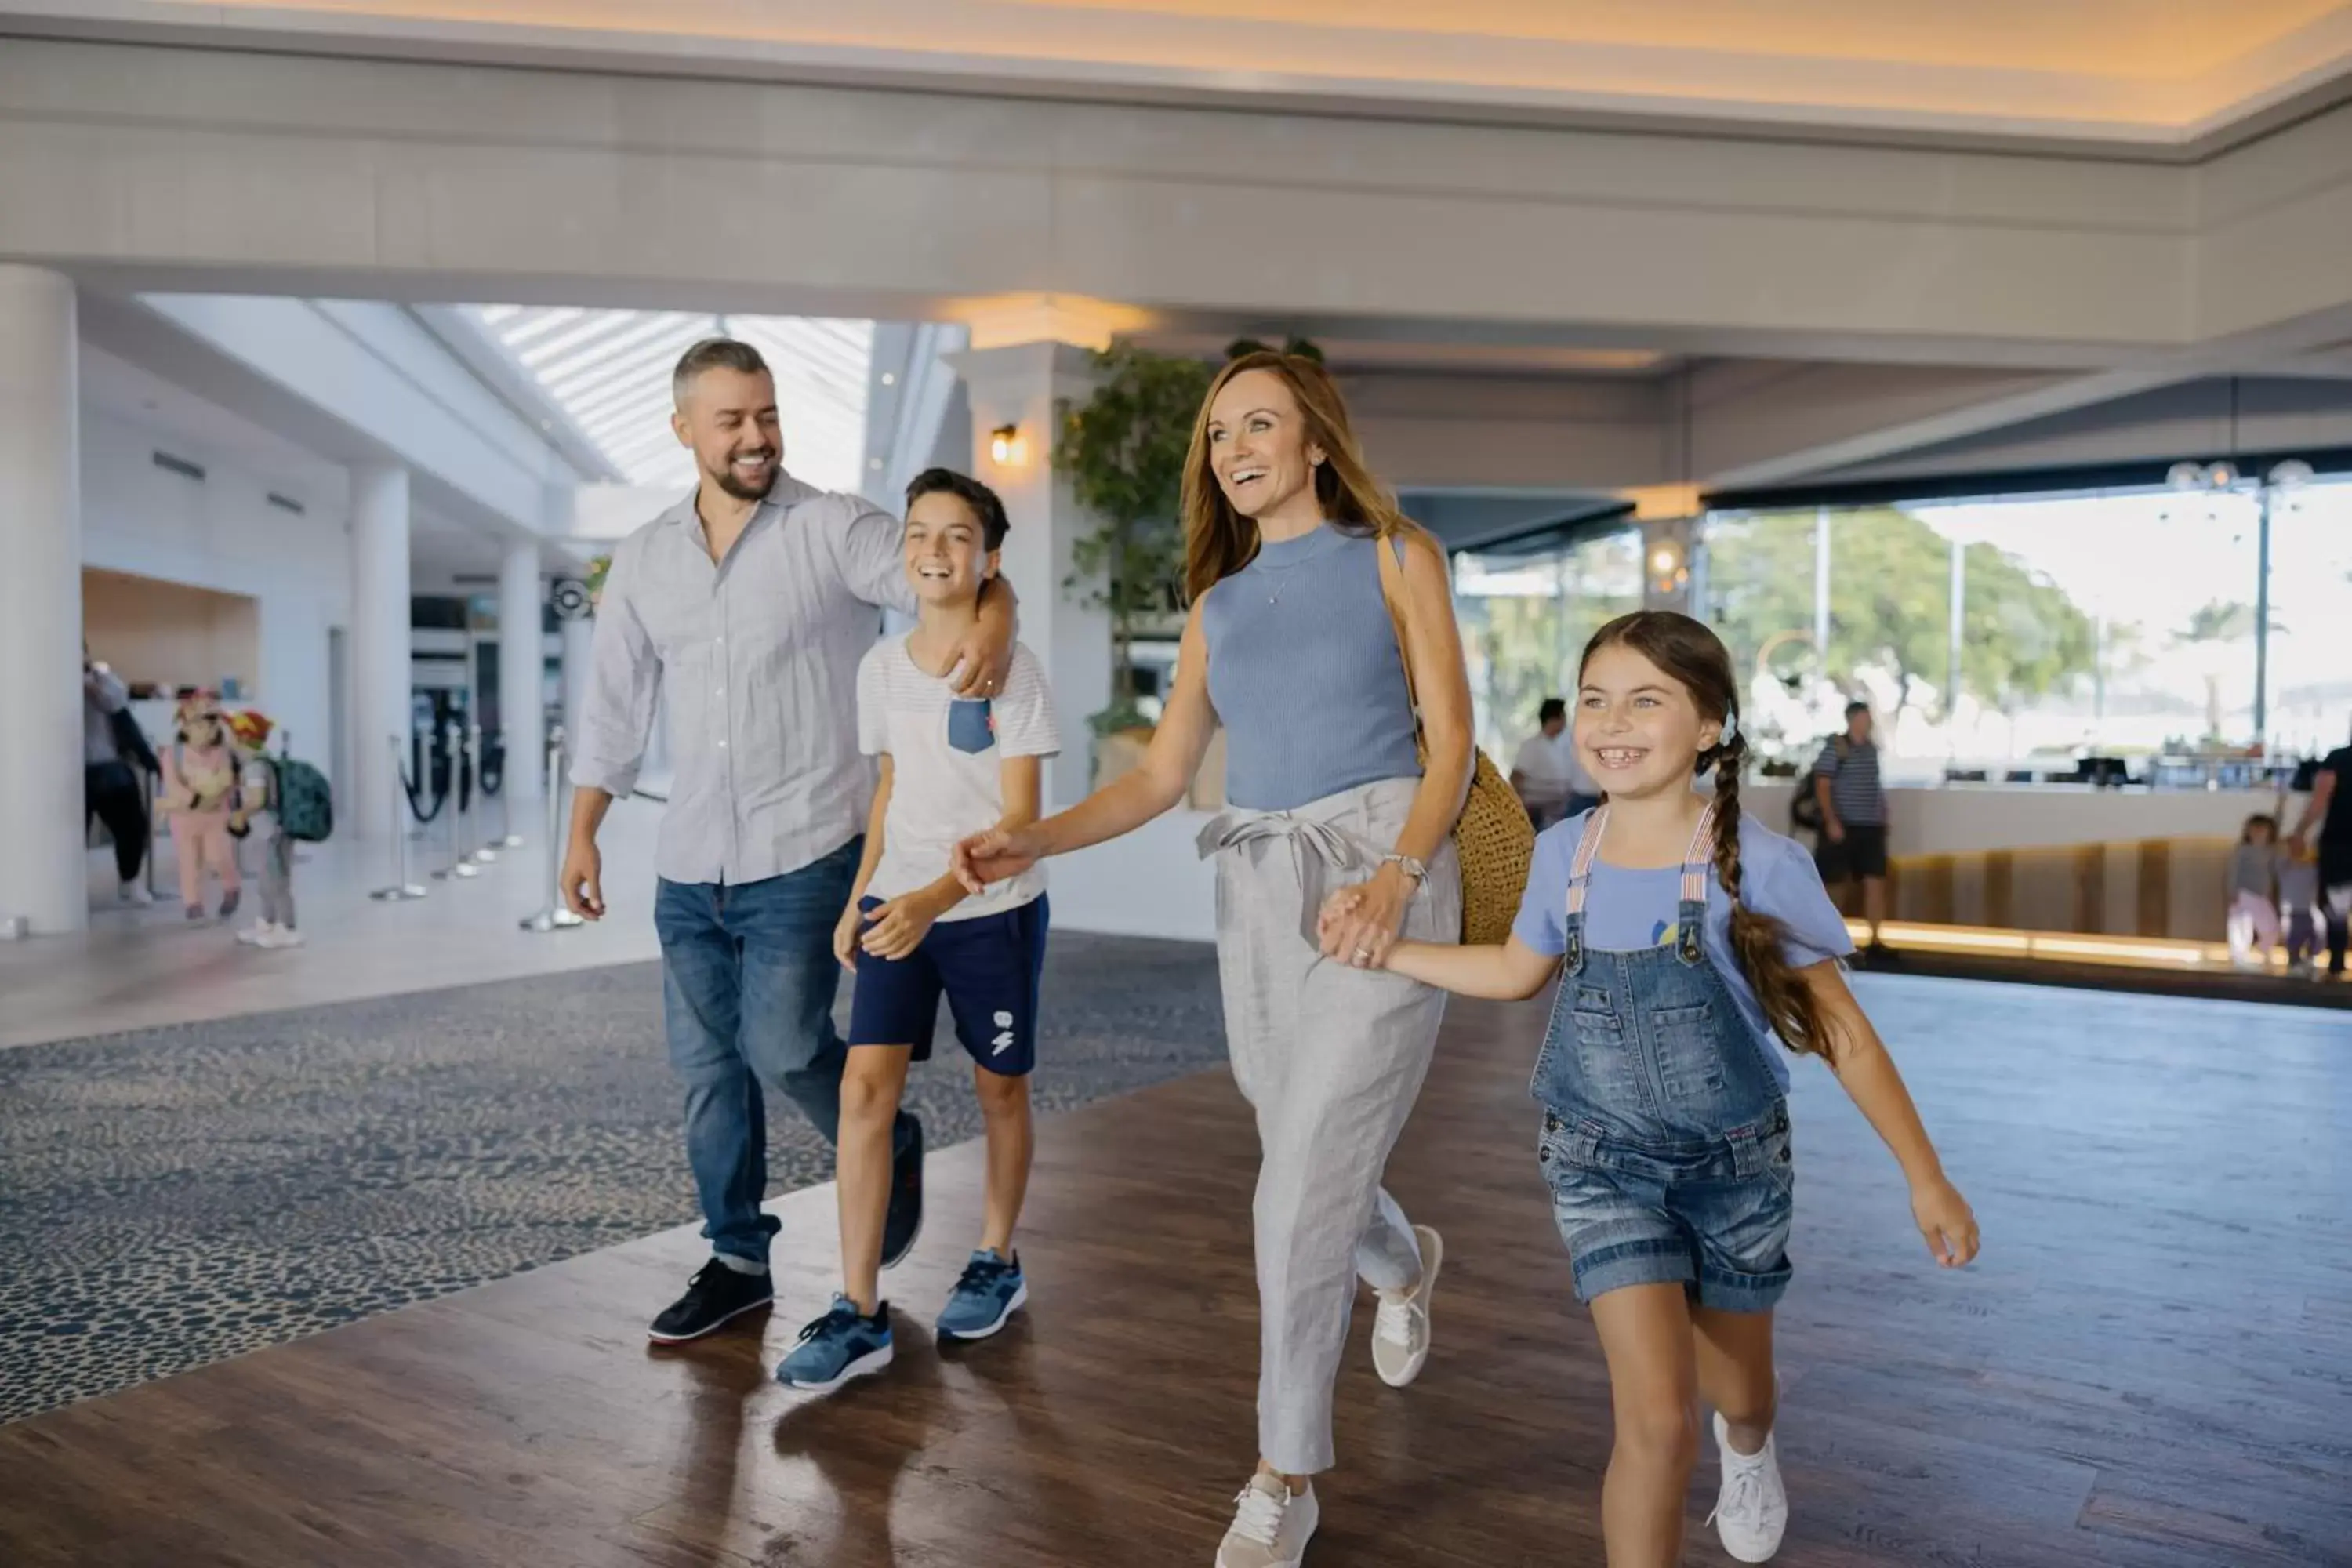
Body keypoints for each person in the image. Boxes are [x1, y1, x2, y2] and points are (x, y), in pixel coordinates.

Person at [953, 350, 1470, 1568]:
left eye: (1260, 423)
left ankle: (1283, 1471)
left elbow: (1450, 745)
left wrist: (1396, 878)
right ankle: (1402, 1259)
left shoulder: (1400, 555)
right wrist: (1034, 835)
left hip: (1379, 869)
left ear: (1316, 441)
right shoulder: (1217, 607)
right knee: (1293, 1136)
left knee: (1295, 1185)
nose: (1234, 447)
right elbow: (1158, 776)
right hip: (1259, 878)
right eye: (1218, 431)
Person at [1373, 610, 1978, 1568]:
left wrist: (1925, 1176)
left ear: (1708, 726)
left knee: (1737, 1395)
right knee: (1656, 1423)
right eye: (1596, 699)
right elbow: (1514, 972)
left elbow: (1845, 1035)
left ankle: (1753, 1448)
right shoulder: (1562, 852)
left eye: (1645, 700)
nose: (1612, 722)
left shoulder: (1762, 865)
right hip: (1600, 1162)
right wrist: (1390, 948)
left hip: (1735, 1170)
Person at [562, 339, 1017, 1346]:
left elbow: (946, 571)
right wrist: (583, 832)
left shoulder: (833, 528)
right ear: (684, 429)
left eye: (766, 414)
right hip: (689, 862)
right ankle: (736, 1257)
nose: (757, 436)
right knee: (707, 1071)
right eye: (731, 421)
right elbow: (613, 705)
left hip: (807, 845)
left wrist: (999, 611)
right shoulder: (643, 556)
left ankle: (886, 1130)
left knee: (776, 1043)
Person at [777, 468, 1060, 1392]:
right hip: (896, 906)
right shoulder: (881, 667)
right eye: (918, 533)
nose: (933, 550)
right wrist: (861, 900)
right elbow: (891, 788)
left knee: (999, 1092)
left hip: (990, 915)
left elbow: (1018, 826)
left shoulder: (1014, 668)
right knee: (864, 1091)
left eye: (955, 535)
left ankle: (995, 1257)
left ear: (990, 558)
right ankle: (858, 1309)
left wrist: (935, 896)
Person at [1813, 701, 1890, 952]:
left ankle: (1876, 940)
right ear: (1853, 719)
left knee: (1875, 880)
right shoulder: (1836, 747)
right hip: (1843, 824)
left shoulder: (1871, 750)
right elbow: (1822, 785)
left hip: (1870, 825)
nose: (1869, 722)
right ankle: (1830, 938)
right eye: (1865, 717)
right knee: (1836, 882)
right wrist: (1831, 820)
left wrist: (1882, 812)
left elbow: (1874, 784)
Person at [160, 693, 242, 922]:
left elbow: (228, 780)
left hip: (216, 815)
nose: (205, 732)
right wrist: (192, 800)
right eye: (198, 725)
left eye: (210, 726)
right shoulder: (173, 753)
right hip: (184, 817)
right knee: (189, 862)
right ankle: (193, 904)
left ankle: (231, 887)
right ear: (185, 728)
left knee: (219, 856)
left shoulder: (221, 752)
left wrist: (217, 796)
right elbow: (172, 785)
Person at [226, 710, 303, 949]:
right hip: (265, 831)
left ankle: (287, 927)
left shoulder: (254, 767)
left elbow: (257, 799)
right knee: (265, 880)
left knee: (277, 880)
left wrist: (240, 815)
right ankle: (267, 922)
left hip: (271, 832)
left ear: (244, 738)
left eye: (234, 735)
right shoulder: (262, 761)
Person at [82, 646, 152, 905]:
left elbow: (116, 701)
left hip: (109, 766)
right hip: (68, 772)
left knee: (133, 828)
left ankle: (130, 881)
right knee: (71, 834)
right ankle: (69, 890)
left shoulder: (101, 678)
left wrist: (92, 681)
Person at [1512, 696, 1601, 828]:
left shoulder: (1566, 744)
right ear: (1554, 719)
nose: (1566, 721)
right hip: (1539, 807)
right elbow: (1516, 777)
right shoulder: (1531, 746)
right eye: (1563, 717)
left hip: (1564, 802)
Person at [2224, 814, 2280, 971]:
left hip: (2261, 895)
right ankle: (2239, 958)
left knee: (2271, 927)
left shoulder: (2269, 851)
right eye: (2255, 829)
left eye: (2262, 829)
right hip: (2244, 893)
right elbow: (2233, 871)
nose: (2258, 832)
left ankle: (2262, 951)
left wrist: (2282, 803)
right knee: (2241, 925)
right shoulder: (2243, 850)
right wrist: (2233, 891)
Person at [2279, 839, 2322, 977]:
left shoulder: (2311, 868)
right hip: (2290, 910)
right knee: (2294, 938)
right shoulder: (2283, 865)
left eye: (2301, 846)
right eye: (2294, 846)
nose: (2298, 849)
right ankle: (2294, 963)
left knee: (2316, 935)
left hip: (2308, 908)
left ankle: (2309, 960)